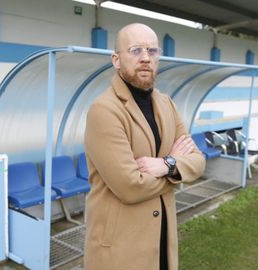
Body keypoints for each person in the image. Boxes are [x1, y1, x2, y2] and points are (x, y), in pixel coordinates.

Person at [83, 23, 206, 270]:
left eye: (152, 51)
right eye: (136, 50)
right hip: (120, 249)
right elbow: (130, 187)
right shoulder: (104, 110)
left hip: (161, 240)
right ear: (116, 60)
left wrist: (166, 164)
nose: (146, 58)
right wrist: (177, 171)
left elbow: (198, 161)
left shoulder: (166, 103)